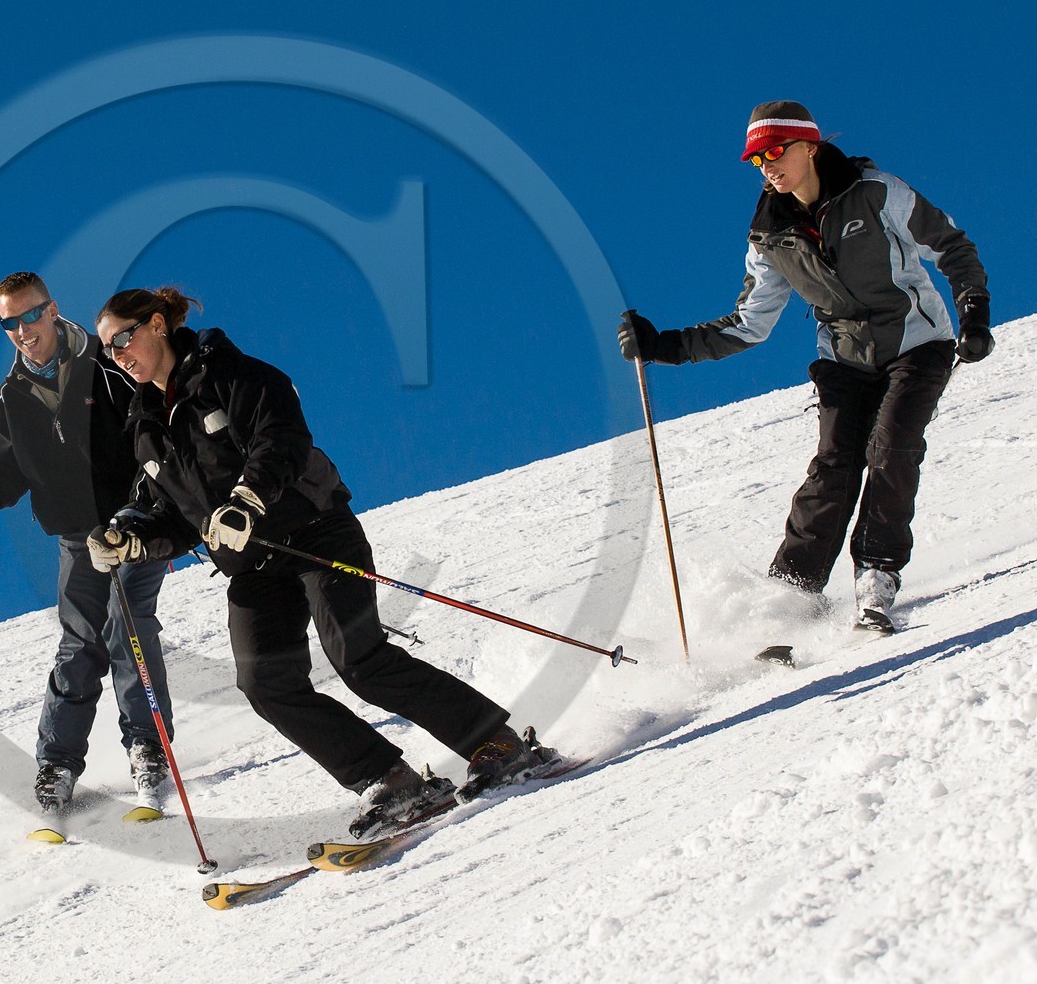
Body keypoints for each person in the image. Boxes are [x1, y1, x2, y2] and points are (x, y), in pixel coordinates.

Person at [85, 286, 558, 840]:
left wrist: (248, 498)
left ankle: (495, 744)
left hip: (313, 533)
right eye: (108, 351)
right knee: (265, 681)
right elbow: (177, 514)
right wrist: (133, 539)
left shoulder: (231, 375)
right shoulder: (145, 428)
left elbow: (280, 437)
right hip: (254, 567)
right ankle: (387, 778)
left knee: (358, 657)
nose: (119, 355)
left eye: (123, 338)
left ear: (158, 324)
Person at [618, 101, 993, 634]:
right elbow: (750, 324)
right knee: (832, 469)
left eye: (775, 151)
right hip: (844, 358)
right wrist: (664, 346)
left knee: (892, 445)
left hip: (917, 344)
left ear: (809, 146)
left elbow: (951, 245)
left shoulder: (877, 191)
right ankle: (791, 599)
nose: (767, 165)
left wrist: (973, 314)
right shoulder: (770, 236)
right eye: (756, 159)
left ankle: (877, 577)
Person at [0, 271, 176, 817]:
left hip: (137, 522)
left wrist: (147, 507)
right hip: (78, 535)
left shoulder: (109, 365)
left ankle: (147, 748)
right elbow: (0, 479)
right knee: (79, 640)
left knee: (126, 618)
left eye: (30, 315)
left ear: (53, 310)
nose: (22, 329)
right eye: (9, 322)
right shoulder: (12, 398)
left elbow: (157, 425)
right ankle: (57, 764)